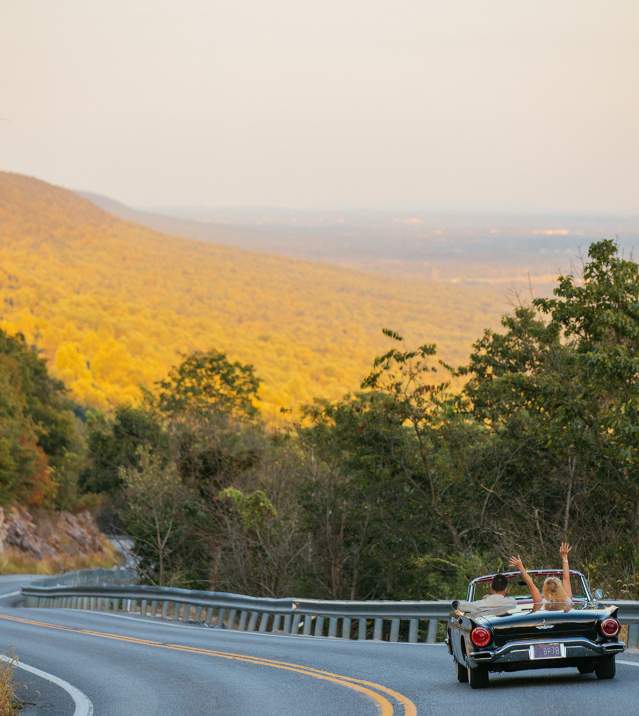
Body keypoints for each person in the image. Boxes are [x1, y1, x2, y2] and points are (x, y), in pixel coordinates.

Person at [509, 542, 573, 611]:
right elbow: (566, 578)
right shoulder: (567, 599)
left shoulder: (540, 602)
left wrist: (520, 567)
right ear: (561, 588)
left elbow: (530, 583)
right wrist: (565, 557)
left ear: (545, 589)